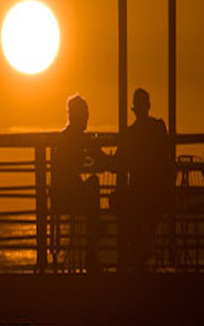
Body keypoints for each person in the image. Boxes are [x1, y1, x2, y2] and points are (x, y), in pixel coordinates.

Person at [110, 88, 170, 272]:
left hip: (138, 193)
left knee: (117, 201)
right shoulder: (159, 127)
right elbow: (166, 158)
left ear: (133, 109)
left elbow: (117, 163)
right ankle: (143, 245)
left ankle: (137, 245)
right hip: (158, 192)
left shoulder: (130, 133)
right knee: (147, 211)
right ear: (148, 106)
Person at [50, 94, 107, 271]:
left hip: (60, 195)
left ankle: (93, 238)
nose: (87, 118)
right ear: (78, 116)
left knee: (91, 186)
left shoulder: (65, 137)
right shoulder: (77, 138)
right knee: (93, 184)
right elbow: (95, 158)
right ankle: (92, 243)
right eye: (85, 115)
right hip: (69, 195)